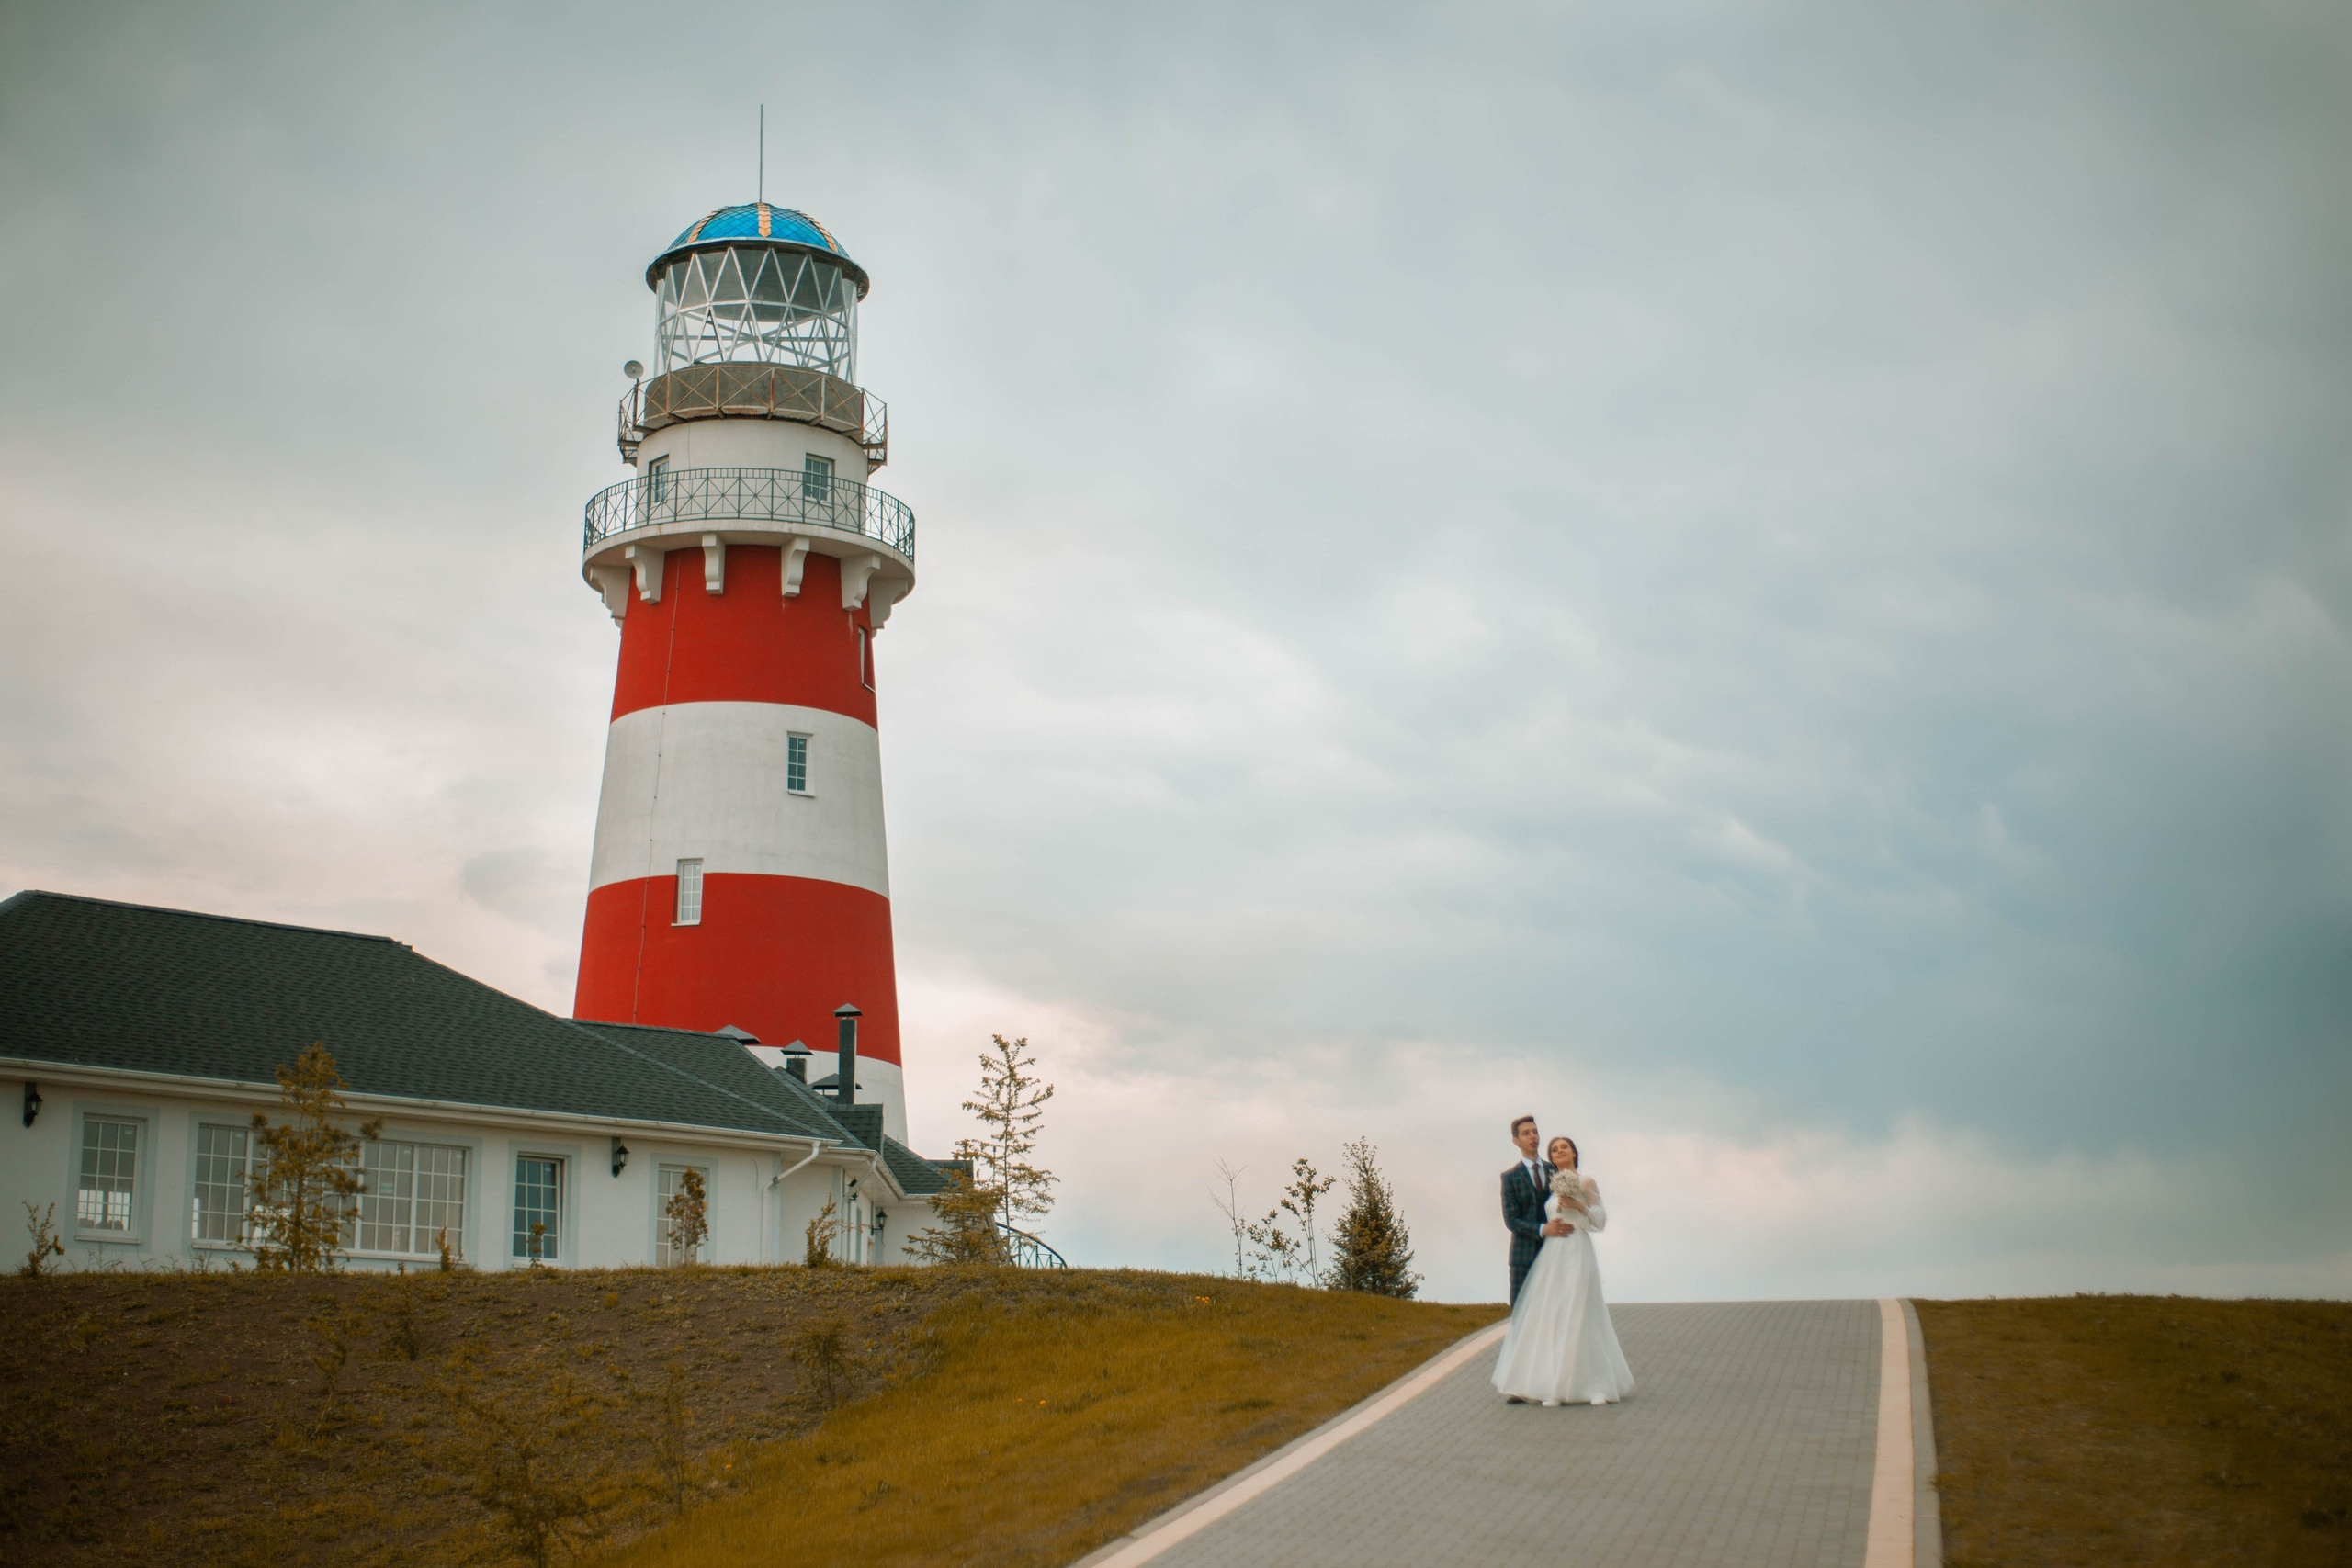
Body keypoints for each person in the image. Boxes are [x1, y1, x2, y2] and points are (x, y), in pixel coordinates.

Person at [1492, 1134, 1636, 1407]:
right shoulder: (1551, 1184)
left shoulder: (1586, 1181)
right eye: (1555, 1149)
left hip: (1577, 1249)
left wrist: (1578, 1205)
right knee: (1554, 1315)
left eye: (1564, 1148)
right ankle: (1554, 1385)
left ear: (1573, 1152)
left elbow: (1600, 1221)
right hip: (1553, 1253)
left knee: (1581, 1313)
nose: (1560, 1151)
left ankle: (1595, 1385)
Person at [1499, 1113, 1570, 1307]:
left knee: (1555, 1311)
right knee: (1522, 1314)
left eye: (1535, 1132)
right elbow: (1511, 1220)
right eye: (1526, 1133)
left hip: (1555, 1252)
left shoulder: (1555, 1170)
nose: (1533, 1136)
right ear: (1516, 1141)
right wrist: (1542, 1229)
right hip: (1523, 1256)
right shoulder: (1510, 1178)